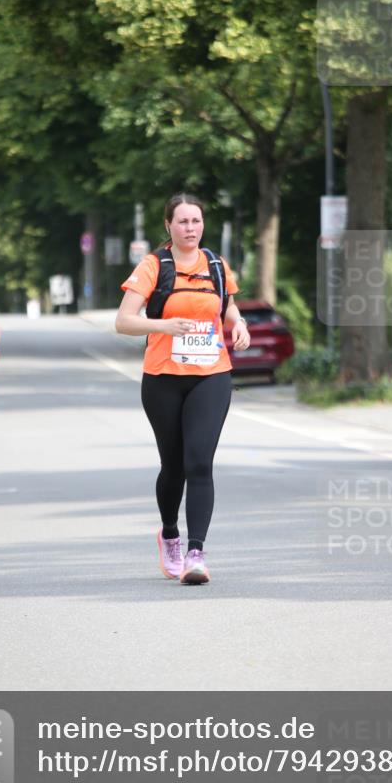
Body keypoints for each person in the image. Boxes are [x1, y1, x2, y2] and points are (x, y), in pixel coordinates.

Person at [116, 193, 250, 585]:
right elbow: (124, 321)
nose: (191, 228)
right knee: (173, 466)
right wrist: (164, 326)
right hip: (163, 378)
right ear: (169, 226)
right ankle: (170, 535)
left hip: (211, 373)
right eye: (183, 222)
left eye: (196, 221)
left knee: (199, 462)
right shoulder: (154, 266)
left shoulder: (216, 265)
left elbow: (225, 305)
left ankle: (196, 553)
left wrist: (237, 323)